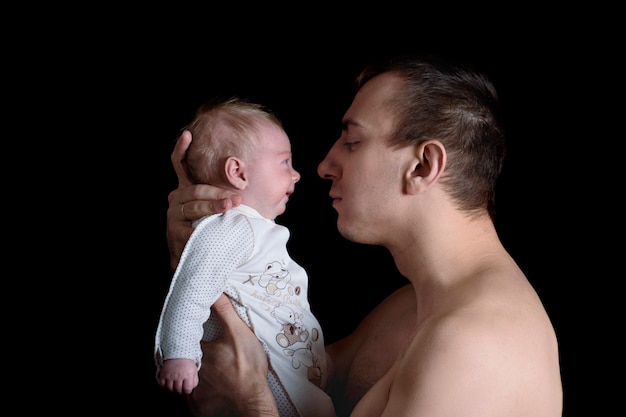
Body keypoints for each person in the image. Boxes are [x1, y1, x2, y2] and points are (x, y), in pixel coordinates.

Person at [165, 55, 563, 416]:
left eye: (353, 142)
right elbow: (306, 379)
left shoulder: (474, 343)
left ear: (423, 166)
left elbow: (250, 389)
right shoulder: (414, 306)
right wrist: (200, 249)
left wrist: (252, 404)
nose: (323, 165)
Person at [155, 97, 335, 417]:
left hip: (283, 366)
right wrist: (180, 354)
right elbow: (190, 289)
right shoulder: (232, 226)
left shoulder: (252, 228)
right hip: (267, 374)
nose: (296, 175)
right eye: (284, 163)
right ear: (237, 171)